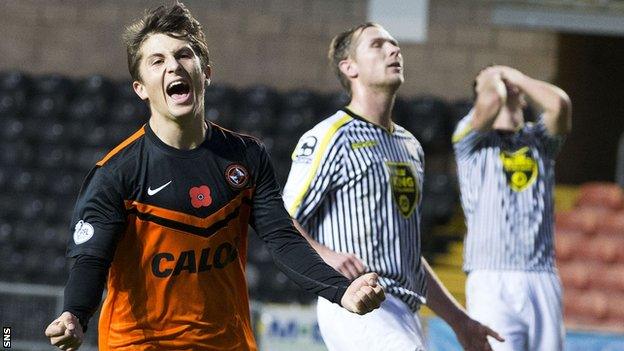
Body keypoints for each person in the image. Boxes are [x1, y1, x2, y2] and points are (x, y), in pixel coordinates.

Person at [44, 3, 385, 350]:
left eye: (183, 55)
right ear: (141, 88)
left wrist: (341, 290)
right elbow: (90, 257)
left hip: (228, 343)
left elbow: (283, 239)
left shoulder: (246, 157)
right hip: (140, 344)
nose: (174, 65)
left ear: (205, 72)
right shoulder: (117, 172)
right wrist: (74, 313)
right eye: (157, 60)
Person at [282, 22, 503, 351]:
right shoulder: (330, 136)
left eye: (394, 44)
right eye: (377, 45)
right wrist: (325, 255)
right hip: (353, 302)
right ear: (349, 67)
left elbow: (408, 256)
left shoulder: (409, 145)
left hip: (404, 311)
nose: (393, 49)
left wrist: (459, 320)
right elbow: (280, 218)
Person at [452, 65, 572, 350]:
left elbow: (560, 105)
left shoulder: (540, 140)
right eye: (491, 83)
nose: (501, 85)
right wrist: (494, 80)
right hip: (491, 276)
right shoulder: (470, 139)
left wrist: (514, 75)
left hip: (541, 273)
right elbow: (491, 101)